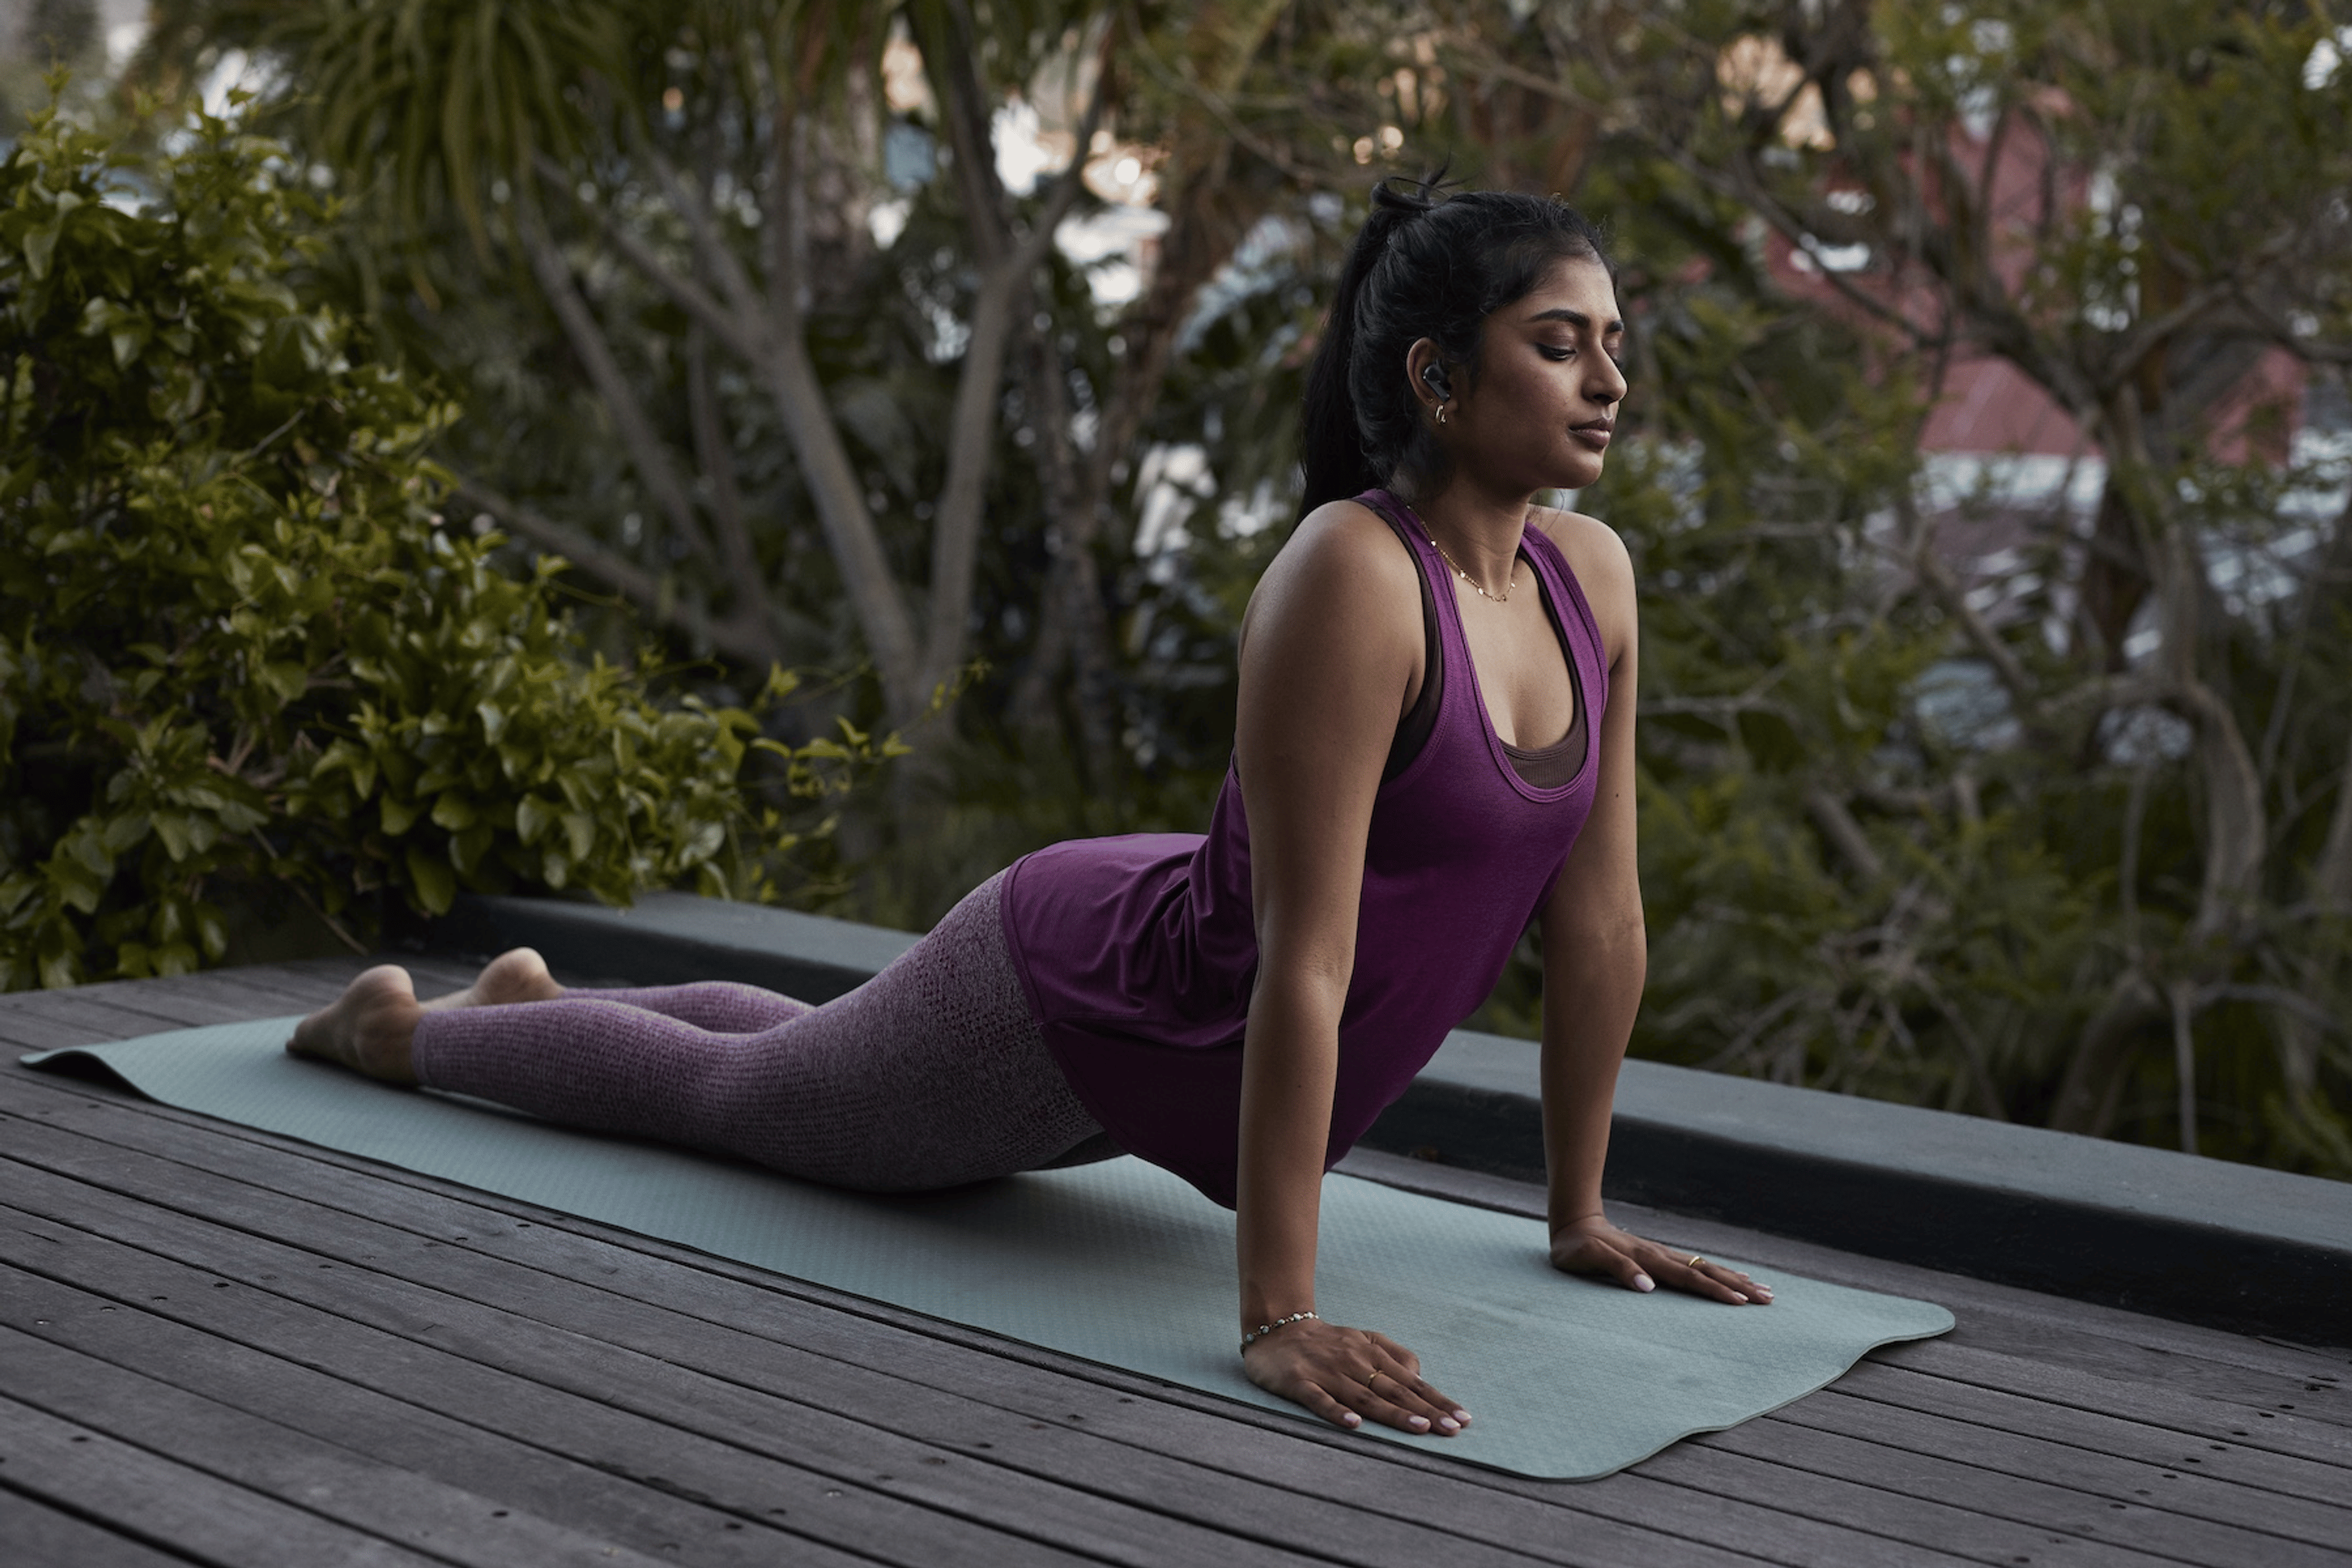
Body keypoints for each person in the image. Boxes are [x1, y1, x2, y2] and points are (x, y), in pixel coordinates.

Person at [291, 176, 1771, 1442]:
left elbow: (1602, 919)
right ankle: (400, 1028)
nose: (1609, 382)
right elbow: (1306, 960)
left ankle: (531, 988)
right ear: (1441, 379)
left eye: (1614, 346)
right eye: (1559, 345)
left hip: (1166, 1036)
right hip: (1081, 1002)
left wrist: (1576, 1213)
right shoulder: (1356, 574)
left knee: (816, 1062)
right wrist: (1281, 1311)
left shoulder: (1594, 576)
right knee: (744, 1102)